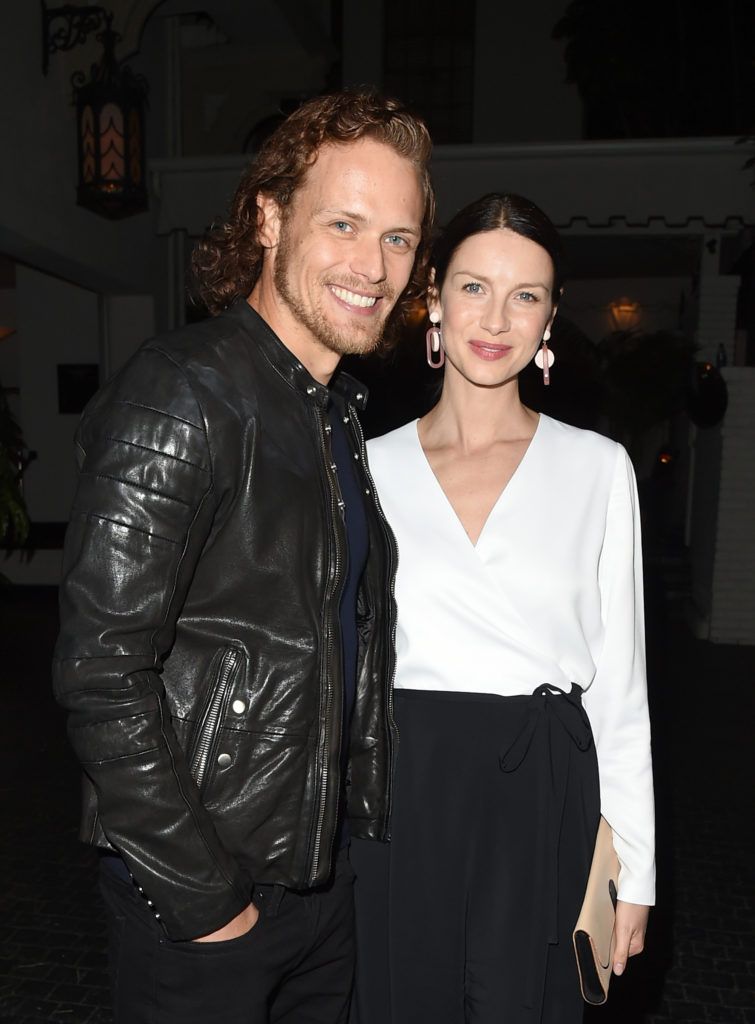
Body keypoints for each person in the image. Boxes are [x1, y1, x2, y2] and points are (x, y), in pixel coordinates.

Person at [52, 90, 434, 1024]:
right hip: (207, 901)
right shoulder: (183, 391)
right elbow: (100, 672)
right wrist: (206, 899)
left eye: (398, 237)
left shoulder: (335, 411)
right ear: (268, 218)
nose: (375, 265)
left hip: (316, 882)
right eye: (344, 223)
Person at [350, 193, 655, 1024]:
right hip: (403, 784)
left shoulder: (596, 468)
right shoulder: (365, 466)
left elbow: (620, 690)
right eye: (474, 287)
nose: (497, 317)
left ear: (549, 317)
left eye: (525, 295)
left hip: (543, 791)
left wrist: (635, 867)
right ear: (434, 301)